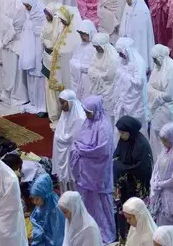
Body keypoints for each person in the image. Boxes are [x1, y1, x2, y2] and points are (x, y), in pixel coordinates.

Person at [71, 96, 116, 244]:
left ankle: (106, 233)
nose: (86, 114)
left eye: (88, 112)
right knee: (88, 201)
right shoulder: (88, 122)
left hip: (98, 173)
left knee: (101, 204)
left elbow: (101, 150)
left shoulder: (104, 126)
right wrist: (79, 148)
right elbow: (81, 140)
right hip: (86, 172)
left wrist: (82, 150)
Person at [114, 116, 154, 240]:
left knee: (136, 216)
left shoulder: (142, 145)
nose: (121, 135)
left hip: (137, 188)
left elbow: (143, 168)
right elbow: (117, 155)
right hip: (125, 186)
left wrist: (123, 168)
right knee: (125, 213)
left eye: (122, 133)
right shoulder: (124, 141)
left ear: (130, 131)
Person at [148, 45, 173, 158]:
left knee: (167, 139)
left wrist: (154, 92)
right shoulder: (157, 67)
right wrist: (156, 92)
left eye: (155, 59)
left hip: (167, 111)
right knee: (155, 139)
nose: (154, 62)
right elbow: (149, 86)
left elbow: (169, 95)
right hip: (156, 110)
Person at [53, 90, 86, 192]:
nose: (61, 106)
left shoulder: (80, 118)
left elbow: (75, 139)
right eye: (60, 103)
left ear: (71, 102)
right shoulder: (64, 114)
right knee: (64, 181)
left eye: (63, 103)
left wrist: (61, 139)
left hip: (72, 154)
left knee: (74, 179)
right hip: (63, 154)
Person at [29, 173, 65, 246]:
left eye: (37, 199)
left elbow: (58, 236)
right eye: (33, 198)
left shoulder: (55, 209)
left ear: (45, 195)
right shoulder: (42, 203)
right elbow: (35, 218)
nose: (35, 202)